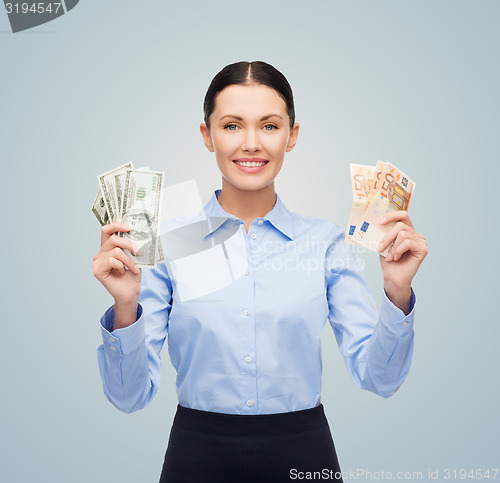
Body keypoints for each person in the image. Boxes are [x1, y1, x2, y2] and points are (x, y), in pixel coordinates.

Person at [92, 60, 428, 483]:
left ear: (292, 136)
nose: (251, 143)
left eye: (269, 126)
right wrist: (125, 308)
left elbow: (380, 379)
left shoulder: (325, 243)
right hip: (196, 455)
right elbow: (129, 397)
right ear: (206, 135)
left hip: (304, 452)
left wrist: (397, 294)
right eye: (232, 125)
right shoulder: (170, 243)